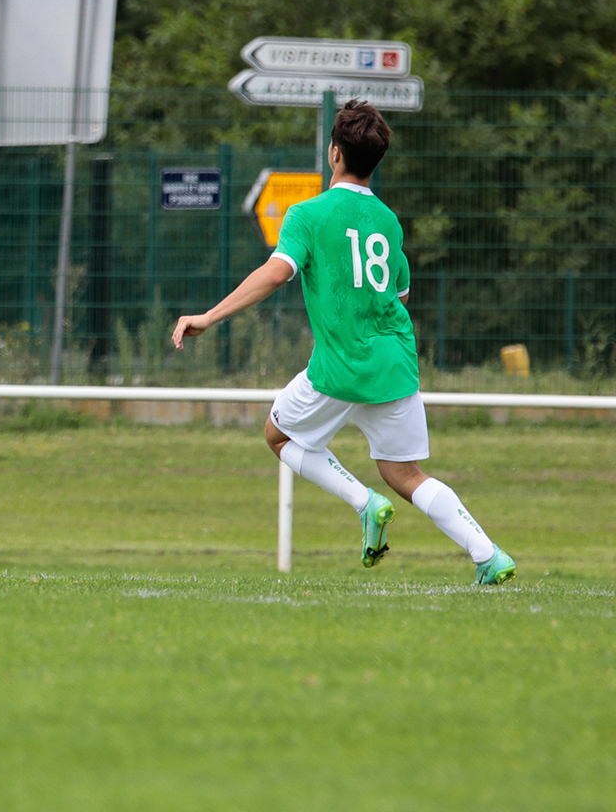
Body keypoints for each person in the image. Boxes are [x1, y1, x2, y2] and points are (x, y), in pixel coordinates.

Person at [171, 99, 516, 586]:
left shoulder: (307, 214)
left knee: (278, 435)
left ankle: (363, 502)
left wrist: (208, 316)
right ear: (374, 161)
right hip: (395, 363)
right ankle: (489, 555)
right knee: (406, 475)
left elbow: (276, 273)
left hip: (340, 366)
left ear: (334, 153)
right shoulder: (389, 221)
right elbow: (401, 292)